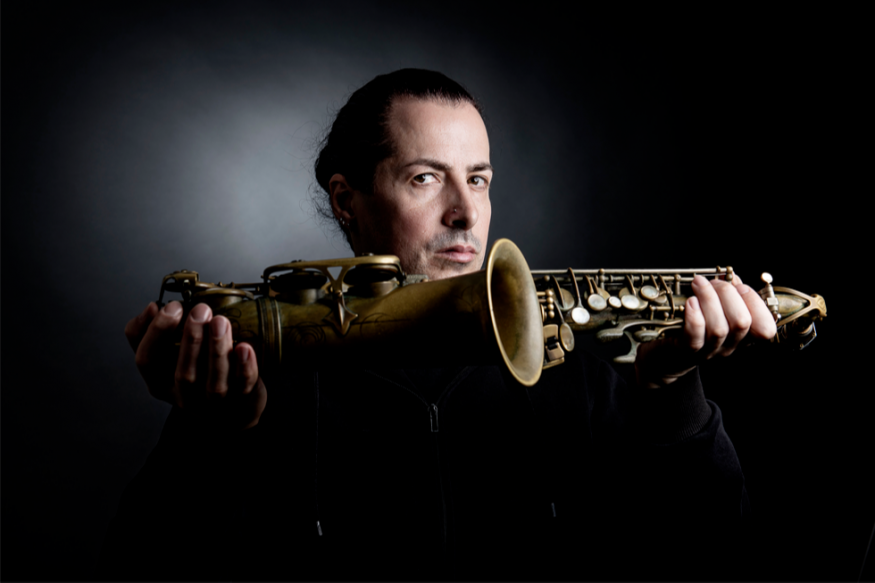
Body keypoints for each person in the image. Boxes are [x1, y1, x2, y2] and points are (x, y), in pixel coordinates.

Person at [102, 69, 776, 580]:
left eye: (478, 179)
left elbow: (714, 556)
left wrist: (674, 395)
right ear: (347, 200)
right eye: (425, 178)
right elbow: (147, 575)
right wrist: (212, 436)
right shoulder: (258, 376)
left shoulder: (577, 368)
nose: (466, 212)